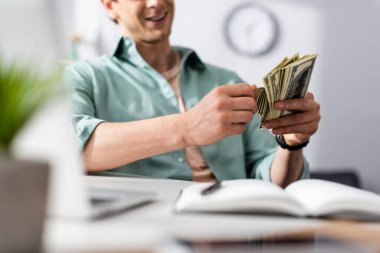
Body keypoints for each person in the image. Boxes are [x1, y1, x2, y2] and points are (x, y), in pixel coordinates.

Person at [64, 0, 321, 187]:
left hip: (233, 228)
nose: (156, 3)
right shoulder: (84, 76)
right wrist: (186, 127)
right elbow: (68, 148)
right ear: (110, 6)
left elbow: (273, 181)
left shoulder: (225, 80)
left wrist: (291, 144)